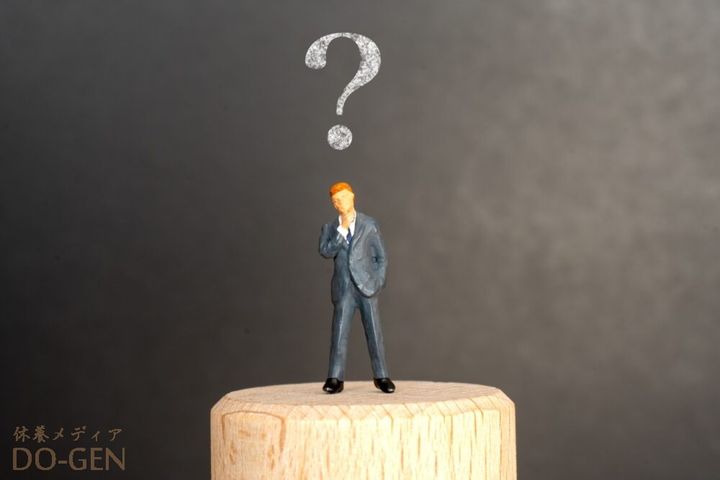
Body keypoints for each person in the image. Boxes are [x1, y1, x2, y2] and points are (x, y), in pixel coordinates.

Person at [318, 182, 395, 394]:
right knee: (339, 332)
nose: (339, 204)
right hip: (343, 289)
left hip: (366, 288)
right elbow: (325, 251)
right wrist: (341, 231)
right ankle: (335, 377)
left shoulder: (369, 224)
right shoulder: (330, 228)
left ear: (352, 197)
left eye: (343, 198)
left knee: (374, 332)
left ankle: (381, 376)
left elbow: (382, 257)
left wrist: (377, 282)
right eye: (335, 201)